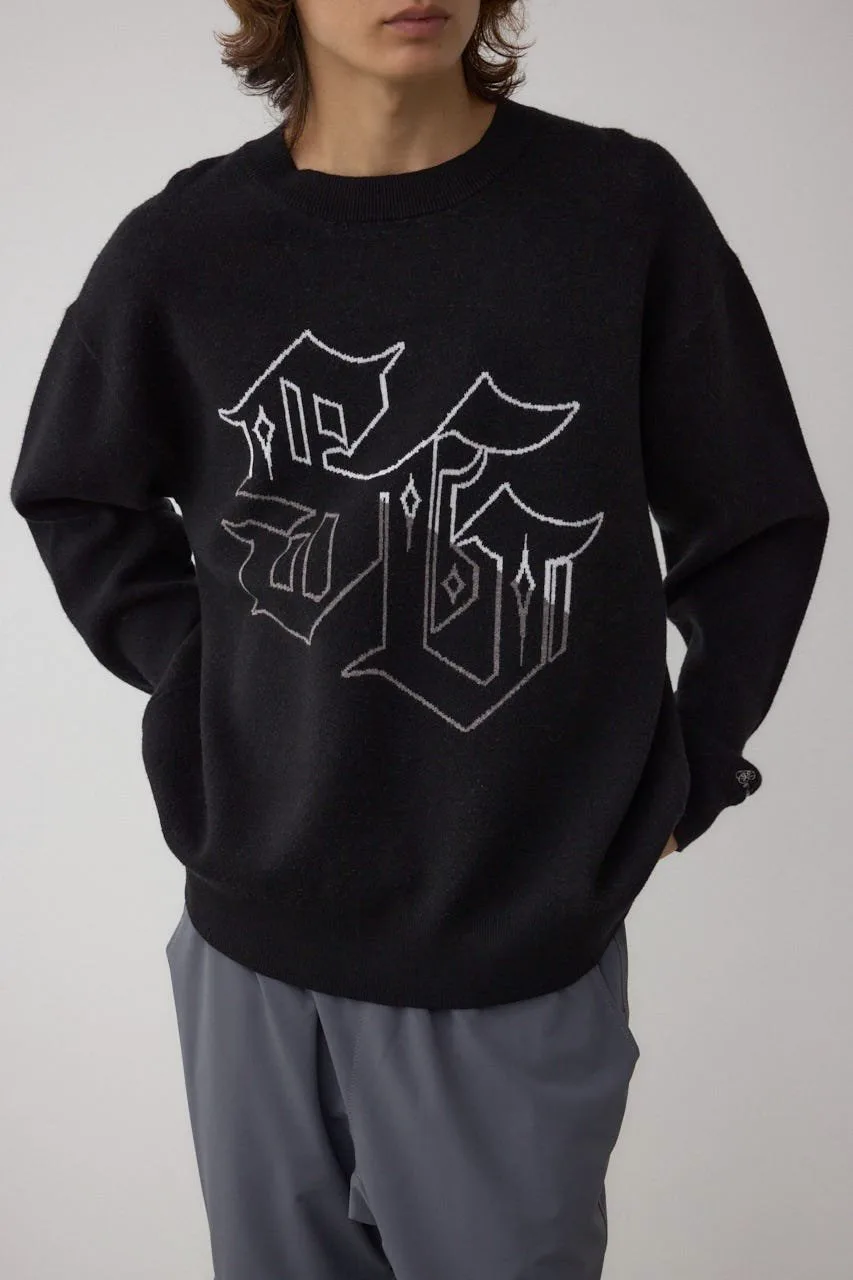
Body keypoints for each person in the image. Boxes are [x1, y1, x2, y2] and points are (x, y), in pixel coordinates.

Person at [9, 2, 829, 1277]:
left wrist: (695, 759)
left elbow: (757, 513)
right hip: (251, 951)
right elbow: (74, 490)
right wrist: (202, 671)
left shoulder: (618, 211)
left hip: (513, 951)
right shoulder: (187, 248)